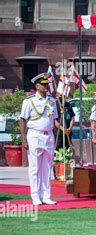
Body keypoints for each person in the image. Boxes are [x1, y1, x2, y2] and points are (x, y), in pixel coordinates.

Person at [20, 73, 59, 205]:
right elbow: (22, 120)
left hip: (48, 135)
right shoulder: (29, 101)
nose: (46, 86)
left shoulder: (52, 101)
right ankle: (35, 196)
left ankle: (46, 195)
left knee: (47, 167)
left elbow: (54, 119)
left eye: (47, 84)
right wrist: (24, 139)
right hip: (34, 135)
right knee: (35, 167)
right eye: (43, 84)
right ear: (37, 86)